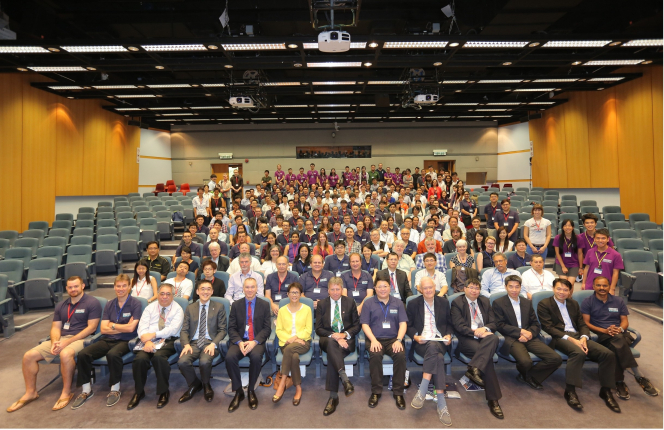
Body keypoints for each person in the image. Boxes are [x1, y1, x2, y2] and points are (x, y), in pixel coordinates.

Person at [7, 277, 102, 413]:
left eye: (76, 286)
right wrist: (54, 342)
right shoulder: (61, 305)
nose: (73, 289)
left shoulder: (92, 302)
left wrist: (67, 342)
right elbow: (55, 328)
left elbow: (91, 328)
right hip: (61, 338)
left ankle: (66, 392)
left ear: (83, 286)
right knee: (29, 356)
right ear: (66, 288)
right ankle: (31, 392)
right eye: (70, 287)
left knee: (65, 353)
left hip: (82, 339)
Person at [537, 278, 620, 412]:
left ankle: (606, 390)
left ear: (570, 291)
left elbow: (581, 324)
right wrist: (572, 340)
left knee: (607, 354)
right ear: (553, 289)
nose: (562, 292)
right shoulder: (544, 304)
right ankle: (570, 391)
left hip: (577, 336)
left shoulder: (573, 303)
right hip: (559, 337)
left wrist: (583, 337)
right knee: (578, 353)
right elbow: (548, 327)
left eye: (565, 290)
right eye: (559, 289)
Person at [71, 274, 142, 409]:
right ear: (114, 287)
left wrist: (113, 325)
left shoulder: (135, 303)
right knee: (83, 354)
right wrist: (123, 327)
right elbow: (103, 329)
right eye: (118, 286)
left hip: (126, 340)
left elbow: (132, 328)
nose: (120, 289)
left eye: (124, 286)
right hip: (108, 339)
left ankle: (115, 389)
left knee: (113, 354)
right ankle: (86, 390)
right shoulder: (110, 304)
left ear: (129, 287)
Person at [581, 276, 658, 399]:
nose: (602, 288)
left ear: (609, 286)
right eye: (599, 285)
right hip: (601, 335)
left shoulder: (618, 301)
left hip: (621, 334)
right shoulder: (587, 301)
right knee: (618, 342)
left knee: (616, 343)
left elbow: (624, 321)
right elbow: (586, 323)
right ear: (594, 287)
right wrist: (604, 330)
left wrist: (620, 329)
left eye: (605, 285)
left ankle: (619, 382)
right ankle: (639, 376)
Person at [493, 275, 562, 391]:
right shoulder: (498, 303)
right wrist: (520, 332)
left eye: (517, 287)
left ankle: (528, 376)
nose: (514, 290)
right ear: (505, 287)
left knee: (555, 358)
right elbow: (499, 325)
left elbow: (536, 323)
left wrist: (529, 333)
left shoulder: (526, 302)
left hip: (529, 337)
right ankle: (529, 376)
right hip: (511, 339)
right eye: (511, 287)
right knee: (525, 362)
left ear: (521, 287)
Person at [450, 278, 503, 419]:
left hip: (485, 336)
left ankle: (474, 368)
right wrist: (475, 332)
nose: (474, 291)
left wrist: (484, 329)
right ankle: (493, 400)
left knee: (494, 337)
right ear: (465, 288)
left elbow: (493, 323)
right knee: (488, 359)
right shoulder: (457, 303)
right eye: (471, 287)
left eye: (477, 288)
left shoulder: (485, 301)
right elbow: (458, 326)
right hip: (467, 338)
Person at [127, 283, 184, 410]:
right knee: (140, 359)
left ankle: (164, 391)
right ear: (158, 294)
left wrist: (153, 335)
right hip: (149, 340)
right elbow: (142, 327)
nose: (164, 297)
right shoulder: (150, 308)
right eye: (162, 293)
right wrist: (146, 340)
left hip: (169, 340)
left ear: (173, 295)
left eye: (168, 294)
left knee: (159, 358)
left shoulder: (178, 309)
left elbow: (173, 329)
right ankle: (139, 392)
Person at [407, 277, 453, 426]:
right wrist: (416, 336)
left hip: (439, 341)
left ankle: (423, 390)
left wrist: (448, 335)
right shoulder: (413, 303)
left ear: (435, 288)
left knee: (434, 347)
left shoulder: (444, 302)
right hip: (422, 342)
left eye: (430, 288)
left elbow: (449, 323)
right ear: (420, 289)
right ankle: (441, 404)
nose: (428, 290)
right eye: (425, 288)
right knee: (438, 358)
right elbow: (408, 325)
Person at [360, 278, 408, 410]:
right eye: (379, 286)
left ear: (390, 287)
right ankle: (376, 391)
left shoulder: (398, 303)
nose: (382, 289)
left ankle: (398, 392)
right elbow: (364, 324)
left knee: (400, 355)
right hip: (375, 338)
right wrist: (373, 340)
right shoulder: (368, 303)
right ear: (374, 288)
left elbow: (403, 323)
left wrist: (399, 340)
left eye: (385, 286)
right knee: (375, 355)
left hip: (393, 339)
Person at [226, 277, 272, 412]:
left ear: (257, 288)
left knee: (256, 357)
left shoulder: (264, 305)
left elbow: (266, 328)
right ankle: (238, 390)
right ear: (243, 289)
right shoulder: (236, 305)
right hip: (240, 340)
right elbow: (232, 328)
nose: (250, 290)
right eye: (247, 287)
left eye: (252, 287)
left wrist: (255, 342)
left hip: (256, 340)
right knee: (230, 357)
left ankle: (251, 390)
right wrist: (239, 342)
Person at [177, 280, 227, 404]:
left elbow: (222, 330)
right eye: (203, 289)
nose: (206, 291)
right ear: (197, 291)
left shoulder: (219, 306)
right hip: (193, 343)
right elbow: (184, 329)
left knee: (204, 361)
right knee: (182, 361)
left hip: (210, 342)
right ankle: (194, 384)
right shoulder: (190, 308)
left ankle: (206, 385)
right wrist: (186, 344)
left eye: (208, 289)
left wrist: (213, 344)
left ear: (212, 291)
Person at [317, 277, 361, 415]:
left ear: (342, 290)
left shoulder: (350, 302)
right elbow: (318, 328)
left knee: (332, 356)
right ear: (328, 290)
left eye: (338, 289)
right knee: (331, 343)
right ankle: (344, 378)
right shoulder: (322, 304)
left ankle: (333, 397)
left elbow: (357, 325)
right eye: (332, 289)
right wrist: (335, 336)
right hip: (328, 339)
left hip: (346, 341)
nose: (335, 292)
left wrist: (344, 335)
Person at [273, 283, 312, 405]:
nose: (294, 295)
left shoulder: (307, 309)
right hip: (286, 342)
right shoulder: (282, 310)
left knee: (290, 351)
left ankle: (283, 381)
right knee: (293, 356)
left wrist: (296, 337)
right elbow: (279, 330)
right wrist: (291, 339)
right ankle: (298, 387)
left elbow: (308, 330)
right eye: (292, 292)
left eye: (297, 292)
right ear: (287, 294)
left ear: (301, 294)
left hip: (303, 342)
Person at [582, 228, 623, 294]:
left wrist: (612, 289)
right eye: (598, 238)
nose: (600, 240)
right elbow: (586, 268)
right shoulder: (589, 252)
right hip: (590, 286)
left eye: (603, 238)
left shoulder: (616, 255)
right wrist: (584, 283)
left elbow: (615, 273)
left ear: (608, 239)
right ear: (594, 239)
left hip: (605, 287)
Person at [553, 219, 583, 286]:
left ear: (573, 227)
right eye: (565, 225)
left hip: (574, 264)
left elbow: (580, 253)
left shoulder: (578, 238)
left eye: (569, 225)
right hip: (560, 264)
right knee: (564, 284)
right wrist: (563, 266)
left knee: (570, 284)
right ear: (562, 227)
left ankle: (569, 297)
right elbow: (557, 253)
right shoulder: (558, 238)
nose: (567, 227)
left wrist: (581, 267)